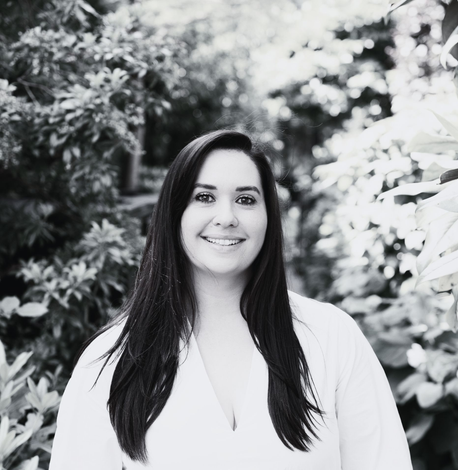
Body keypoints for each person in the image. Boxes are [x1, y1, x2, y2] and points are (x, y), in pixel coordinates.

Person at [49, 130, 413, 470]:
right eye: (204, 197)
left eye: (245, 199)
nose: (226, 217)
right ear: (174, 214)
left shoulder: (332, 337)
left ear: (268, 216)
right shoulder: (111, 361)